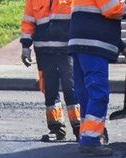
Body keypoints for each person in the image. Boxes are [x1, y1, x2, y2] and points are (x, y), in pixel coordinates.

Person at [69, 0, 126, 156]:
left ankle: (86, 136)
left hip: (80, 43)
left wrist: (120, 46)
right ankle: (91, 141)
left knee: (86, 95)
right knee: (98, 94)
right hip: (93, 46)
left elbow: (96, 18)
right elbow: (111, 9)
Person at [21, 0, 81, 141]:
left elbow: (80, 18)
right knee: (50, 89)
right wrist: (25, 46)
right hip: (44, 52)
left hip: (67, 51)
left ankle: (79, 128)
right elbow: (28, 22)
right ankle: (56, 129)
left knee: (71, 88)